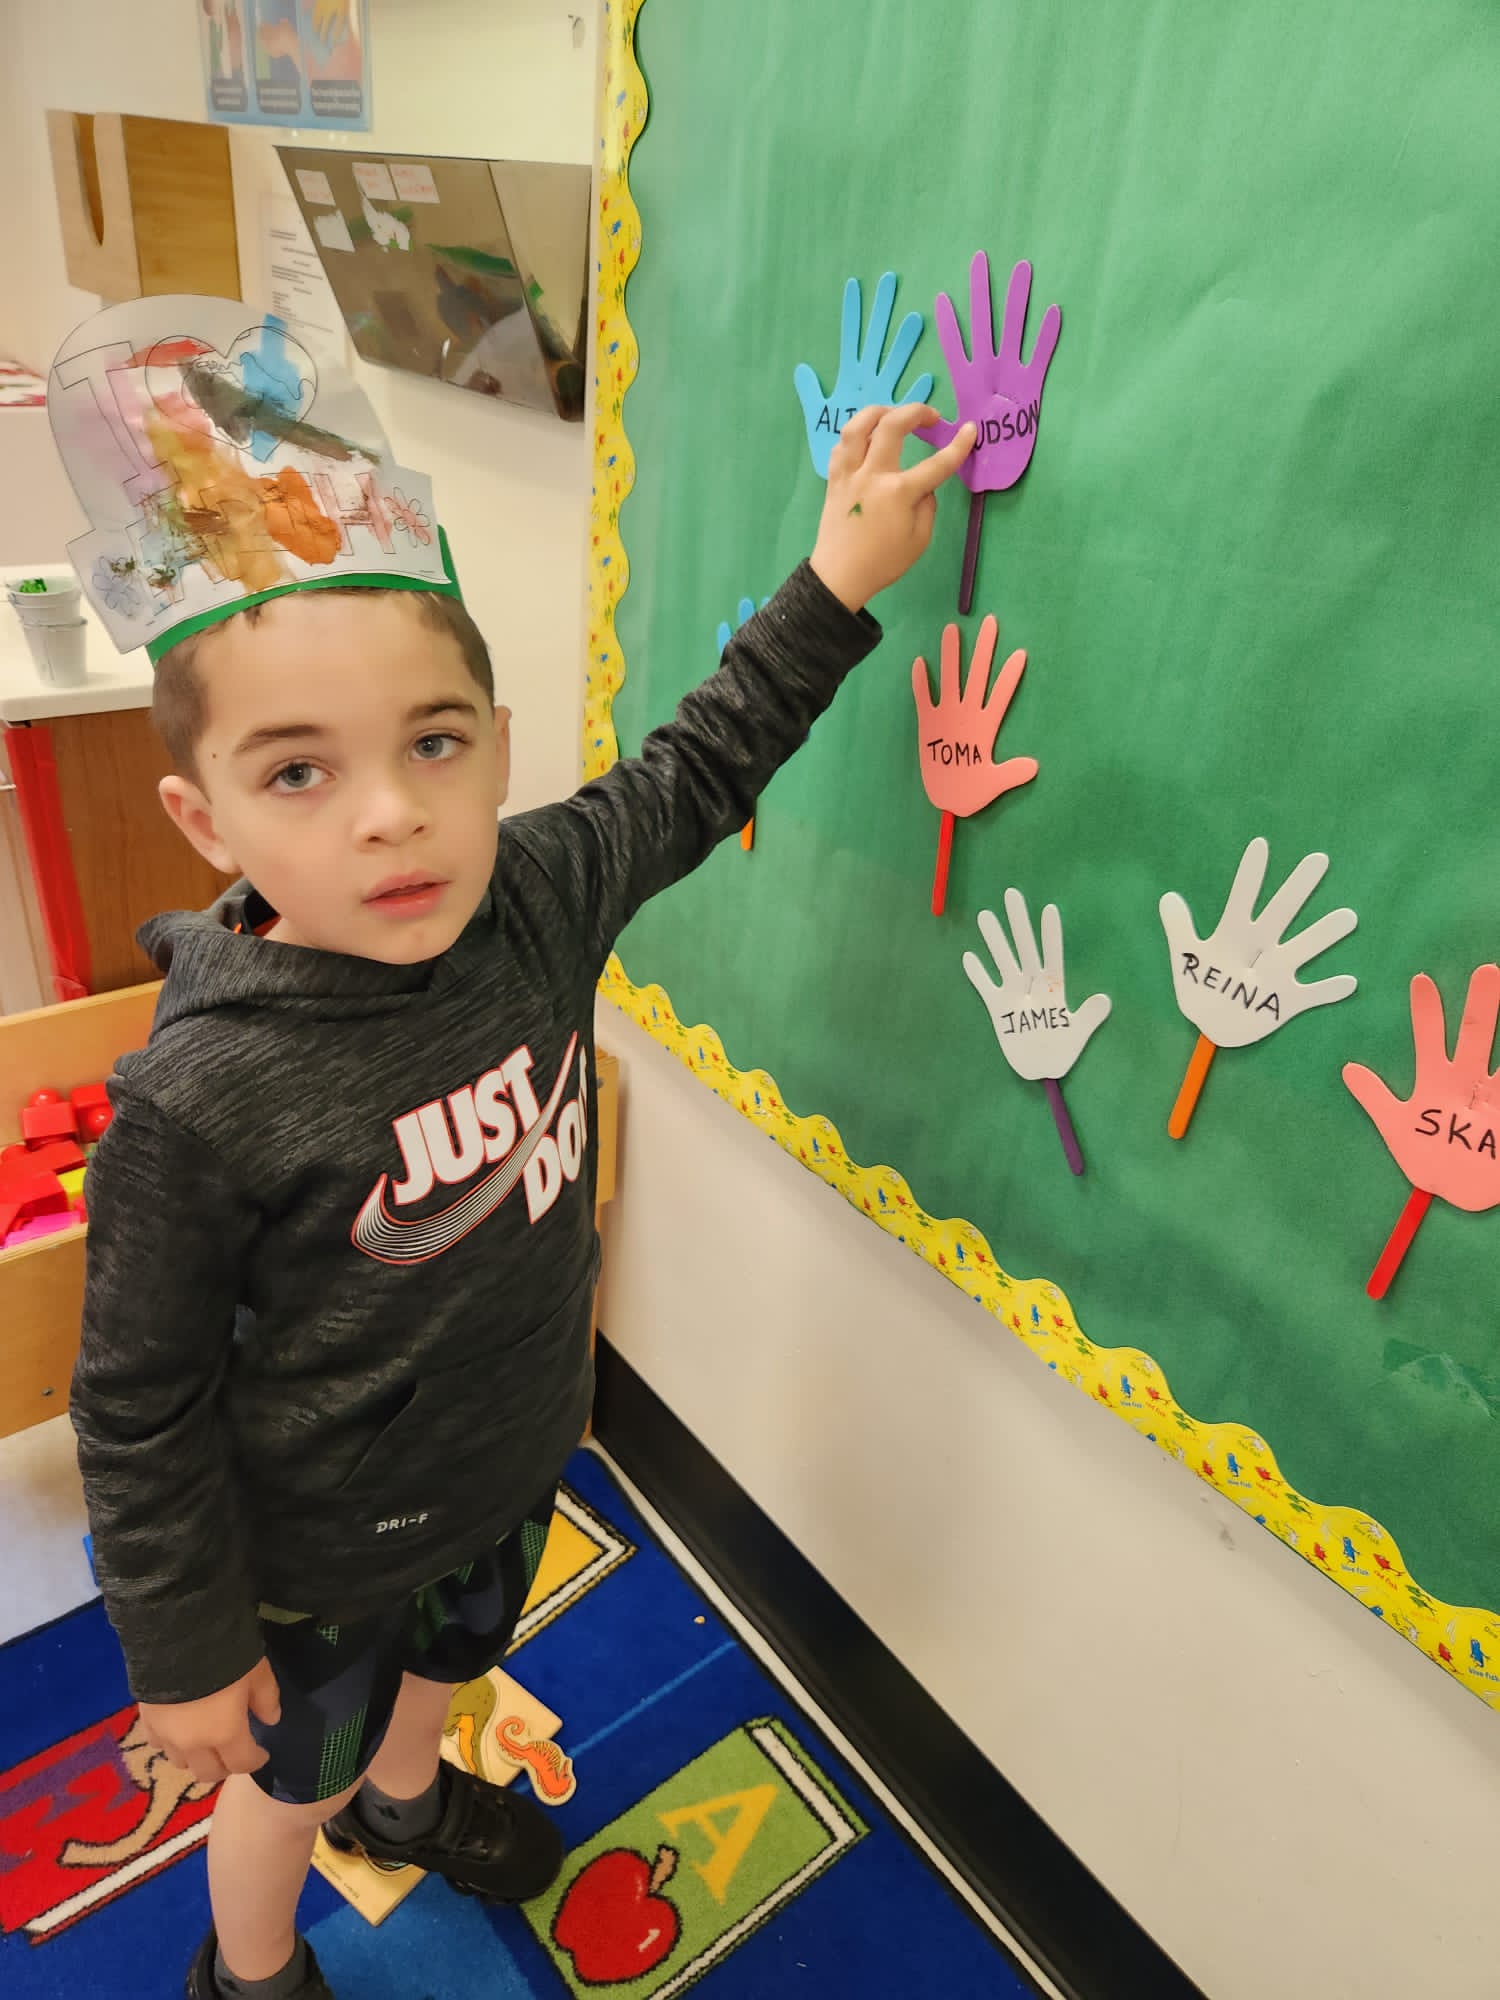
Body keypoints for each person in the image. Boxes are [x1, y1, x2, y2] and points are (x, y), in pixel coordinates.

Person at [70, 401, 977, 1999]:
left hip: (505, 1453)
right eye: (299, 771)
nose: (388, 812)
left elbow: (702, 763)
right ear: (208, 819)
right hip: (314, 1553)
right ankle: (253, 1969)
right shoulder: (195, 1100)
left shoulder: (540, 891)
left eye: (433, 743)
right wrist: (186, 1650)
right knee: (291, 1787)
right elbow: (138, 1408)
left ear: (495, 744)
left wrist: (838, 580)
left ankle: (413, 1802)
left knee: (456, 1662)